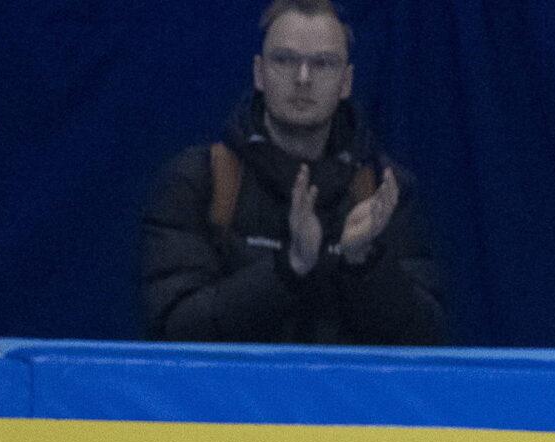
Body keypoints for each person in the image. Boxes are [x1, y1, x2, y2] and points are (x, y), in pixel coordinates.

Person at [141, 0, 443, 344]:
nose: (303, 78)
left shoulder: (383, 189)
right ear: (259, 73)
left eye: (323, 64)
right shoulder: (199, 180)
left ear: (346, 81)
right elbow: (173, 331)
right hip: (231, 398)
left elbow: (425, 345)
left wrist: (364, 262)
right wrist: (289, 267)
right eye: (284, 60)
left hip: (344, 399)